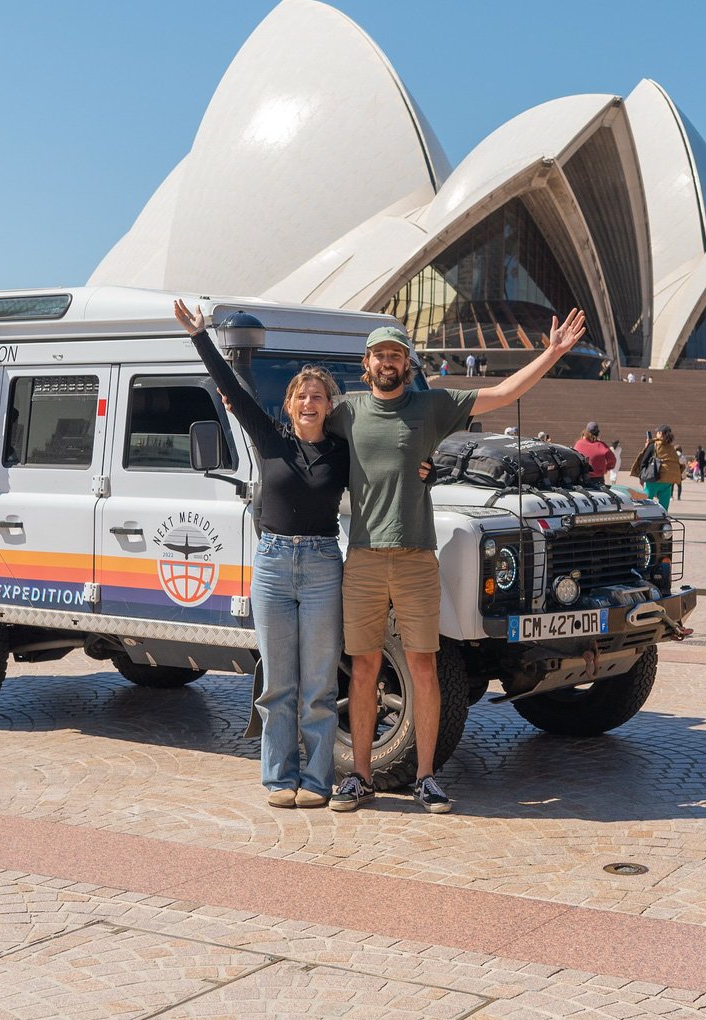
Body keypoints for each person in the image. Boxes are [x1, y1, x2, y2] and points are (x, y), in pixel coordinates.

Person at [328, 309, 586, 815]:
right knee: (363, 668)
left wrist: (551, 353)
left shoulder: (432, 405)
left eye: (396, 355)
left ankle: (425, 777)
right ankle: (359, 777)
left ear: (407, 363)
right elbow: (300, 421)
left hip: (417, 558)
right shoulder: (348, 411)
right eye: (380, 355)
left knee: (424, 666)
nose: (387, 362)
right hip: (361, 559)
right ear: (366, 364)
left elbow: (503, 394)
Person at [172, 299, 355, 808]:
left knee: (318, 685)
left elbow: (388, 459)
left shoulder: (341, 453)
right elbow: (231, 388)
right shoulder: (270, 439)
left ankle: (317, 782)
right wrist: (200, 336)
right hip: (272, 565)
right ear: (291, 404)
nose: (309, 403)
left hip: (322, 566)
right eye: (302, 396)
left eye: (318, 397)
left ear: (328, 405)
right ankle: (279, 779)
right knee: (277, 684)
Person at [631, 425, 682, 511]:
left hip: (654, 479)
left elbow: (644, 461)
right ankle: (662, 521)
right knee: (664, 507)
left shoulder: (654, 445)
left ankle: (646, 519)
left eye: (657, 432)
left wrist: (641, 477)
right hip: (668, 481)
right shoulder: (671, 448)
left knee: (645, 503)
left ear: (660, 433)